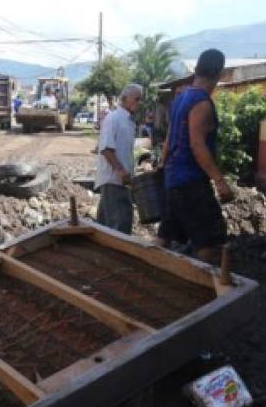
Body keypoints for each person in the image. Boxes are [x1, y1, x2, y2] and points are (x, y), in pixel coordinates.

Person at [157, 49, 231, 265]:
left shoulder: (181, 98)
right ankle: (211, 293)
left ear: (197, 69)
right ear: (219, 73)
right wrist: (220, 180)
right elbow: (197, 144)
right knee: (209, 244)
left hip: (174, 181)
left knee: (165, 238)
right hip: (191, 183)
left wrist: (164, 167)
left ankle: (150, 275)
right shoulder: (201, 103)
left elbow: (169, 140)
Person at [94, 83, 143, 234]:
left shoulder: (128, 120)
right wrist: (121, 171)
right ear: (124, 98)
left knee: (107, 226)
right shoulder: (114, 118)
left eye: (141, 99)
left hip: (120, 181)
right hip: (114, 181)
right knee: (119, 227)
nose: (139, 103)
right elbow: (106, 149)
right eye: (137, 99)